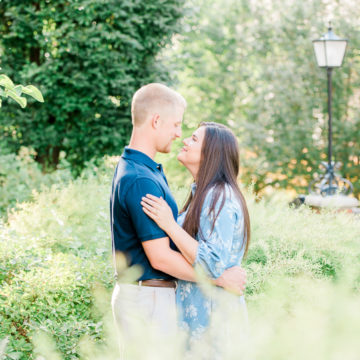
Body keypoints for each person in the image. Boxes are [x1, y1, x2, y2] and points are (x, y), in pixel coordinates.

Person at [110, 84, 247, 352]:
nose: (179, 135)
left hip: (170, 303)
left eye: (192, 137)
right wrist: (219, 279)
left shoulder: (151, 173)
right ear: (156, 120)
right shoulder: (140, 178)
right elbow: (160, 257)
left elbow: (210, 253)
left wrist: (172, 226)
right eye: (176, 125)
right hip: (148, 297)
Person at [141, 122, 250, 340]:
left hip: (214, 322)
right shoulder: (203, 194)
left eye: (193, 139)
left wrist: (169, 225)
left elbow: (212, 263)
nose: (184, 140)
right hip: (198, 318)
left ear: (211, 153)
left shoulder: (219, 196)